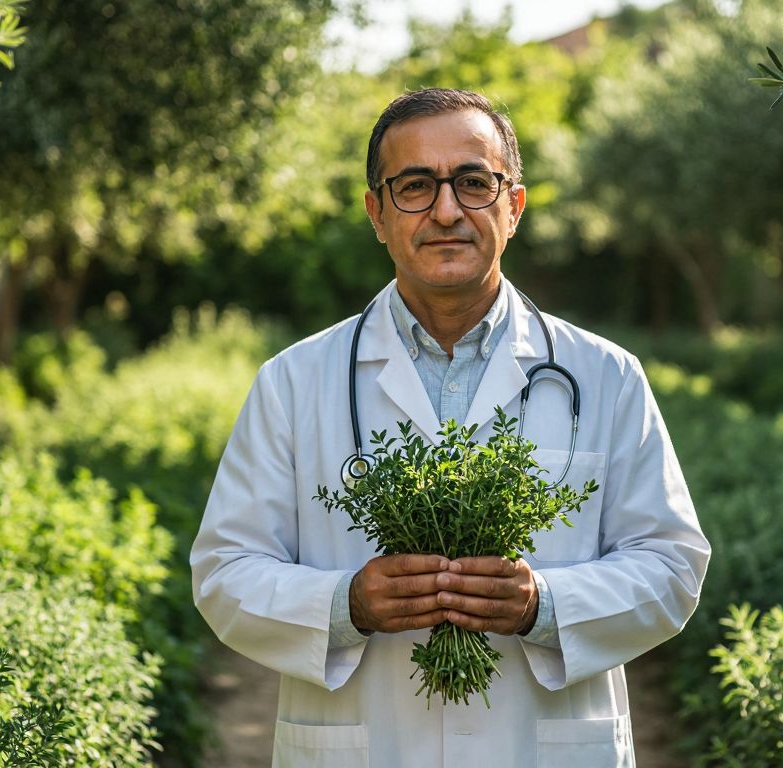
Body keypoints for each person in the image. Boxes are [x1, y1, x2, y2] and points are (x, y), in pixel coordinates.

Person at [191, 87, 709, 768]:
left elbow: (671, 566)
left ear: (513, 206)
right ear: (376, 213)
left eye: (472, 182)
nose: (445, 211)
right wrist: (346, 604)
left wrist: (544, 605)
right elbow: (225, 574)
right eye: (414, 186)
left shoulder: (607, 376)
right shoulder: (292, 382)